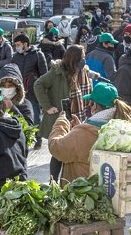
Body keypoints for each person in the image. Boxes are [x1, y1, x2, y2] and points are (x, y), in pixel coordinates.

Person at [48, 82, 131, 183]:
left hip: (82, 189)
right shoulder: (122, 129)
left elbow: (55, 147)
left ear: (94, 105)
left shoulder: (82, 133)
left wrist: (61, 122)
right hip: (108, 187)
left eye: (90, 103)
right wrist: (78, 127)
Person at [34, 45, 92, 180]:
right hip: (64, 118)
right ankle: (53, 182)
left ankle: (68, 180)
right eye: (82, 58)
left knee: (72, 151)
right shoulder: (57, 72)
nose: (84, 60)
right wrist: (47, 106)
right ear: (74, 59)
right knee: (59, 153)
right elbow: (38, 84)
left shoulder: (83, 71)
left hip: (80, 116)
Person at [12, 33, 48, 147]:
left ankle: (38, 139)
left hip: (32, 92)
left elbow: (44, 75)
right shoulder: (15, 56)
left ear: (25, 44)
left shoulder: (38, 55)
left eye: (18, 45)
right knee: (18, 115)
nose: (17, 47)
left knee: (35, 116)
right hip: (18, 91)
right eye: (16, 45)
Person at [0, 63, 34, 130]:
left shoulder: (25, 104)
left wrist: (12, 109)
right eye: (3, 86)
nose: (7, 88)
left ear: (17, 88)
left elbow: (28, 129)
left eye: (10, 86)